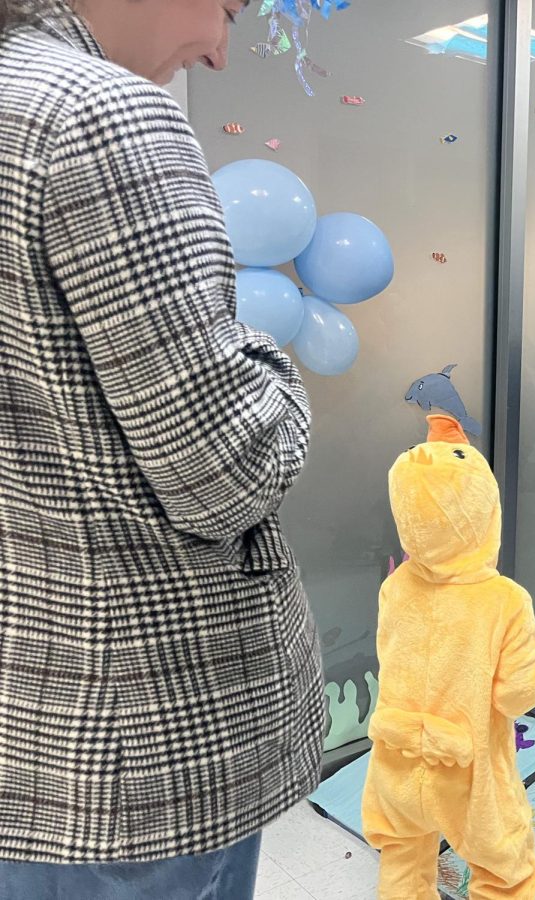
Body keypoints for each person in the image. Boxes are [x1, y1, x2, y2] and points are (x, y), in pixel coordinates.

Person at [0, 1, 323, 896]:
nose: (220, 51)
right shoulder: (99, 116)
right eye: (228, 9)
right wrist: (267, 360)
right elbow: (226, 473)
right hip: (147, 735)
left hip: (34, 716)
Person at [363, 415, 535, 900]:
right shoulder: (505, 601)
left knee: (403, 860)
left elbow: (388, 654)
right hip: (468, 770)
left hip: (395, 756)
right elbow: (516, 695)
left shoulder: (395, 587)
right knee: (505, 870)